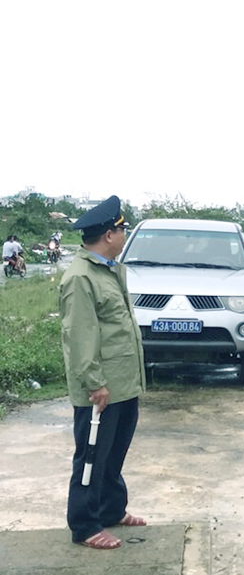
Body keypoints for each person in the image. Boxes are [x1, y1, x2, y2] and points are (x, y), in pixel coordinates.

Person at [59, 196, 146, 550]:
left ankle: (112, 508)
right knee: (92, 456)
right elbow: (80, 335)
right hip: (102, 387)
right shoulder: (80, 277)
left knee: (114, 453)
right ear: (109, 234)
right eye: (122, 229)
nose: (124, 235)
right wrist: (94, 383)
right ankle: (84, 524)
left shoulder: (110, 269)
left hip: (124, 383)